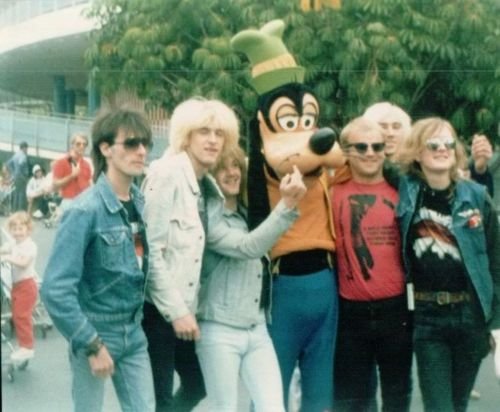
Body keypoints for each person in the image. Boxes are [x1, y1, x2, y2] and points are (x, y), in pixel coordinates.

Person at [40, 109, 156, 412]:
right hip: (95, 331)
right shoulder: (84, 210)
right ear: (105, 148)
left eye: (145, 143)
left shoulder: (139, 202)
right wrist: (91, 344)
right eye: (131, 143)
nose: (141, 151)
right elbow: (55, 289)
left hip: (134, 332)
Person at [142, 97, 240, 412]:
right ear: (186, 136)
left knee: (196, 385)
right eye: (204, 132)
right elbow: (150, 253)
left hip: (184, 307)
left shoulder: (205, 185)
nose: (213, 140)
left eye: (219, 133)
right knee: (159, 399)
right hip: (158, 309)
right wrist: (177, 313)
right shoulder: (166, 173)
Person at [396, 117, 500, 412]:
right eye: (433, 144)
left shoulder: (476, 196)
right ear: (417, 153)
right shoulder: (405, 192)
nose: (442, 149)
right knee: (439, 407)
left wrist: (496, 324)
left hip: (471, 315)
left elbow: (496, 262)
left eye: (448, 143)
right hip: (428, 317)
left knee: (458, 404)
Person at [195, 146, 305, 412]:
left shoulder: (248, 214)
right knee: (225, 408)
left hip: (257, 327)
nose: (231, 173)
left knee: (273, 407)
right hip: (219, 329)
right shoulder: (209, 219)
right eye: (222, 168)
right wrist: (286, 205)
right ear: (210, 175)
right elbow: (249, 246)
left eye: (236, 166)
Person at [330, 117, 413, 412]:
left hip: (396, 311)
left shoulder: (404, 192)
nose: (370, 153)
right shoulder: (331, 193)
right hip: (349, 314)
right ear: (346, 151)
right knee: (351, 400)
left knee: (397, 397)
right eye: (361, 146)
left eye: (377, 146)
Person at [0, 211, 38, 362]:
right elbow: (4, 248)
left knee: (22, 316)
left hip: (27, 286)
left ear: (28, 230)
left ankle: (27, 348)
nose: (17, 232)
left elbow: (23, 263)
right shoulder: (14, 243)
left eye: (21, 229)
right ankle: (23, 345)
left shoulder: (30, 246)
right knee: (16, 316)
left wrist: (7, 258)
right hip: (17, 285)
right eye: (14, 229)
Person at [51, 132, 92, 212]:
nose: (82, 147)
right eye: (78, 144)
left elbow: (89, 184)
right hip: (69, 202)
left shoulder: (86, 164)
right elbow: (55, 186)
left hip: (84, 203)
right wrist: (72, 176)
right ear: (72, 145)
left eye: (84, 144)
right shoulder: (61, 162)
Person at [6, 141, 30, 211]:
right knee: (21, 195)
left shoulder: (15, 155)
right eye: (26, 148)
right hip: (22, 177)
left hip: (16, 177)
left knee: (16, 194)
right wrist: (24, 176)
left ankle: (14, 210)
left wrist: (13, 173)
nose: (27, 150)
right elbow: (21, 164)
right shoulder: (23, 156)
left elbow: (8, 164)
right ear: (24, 148)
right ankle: (19, 211)